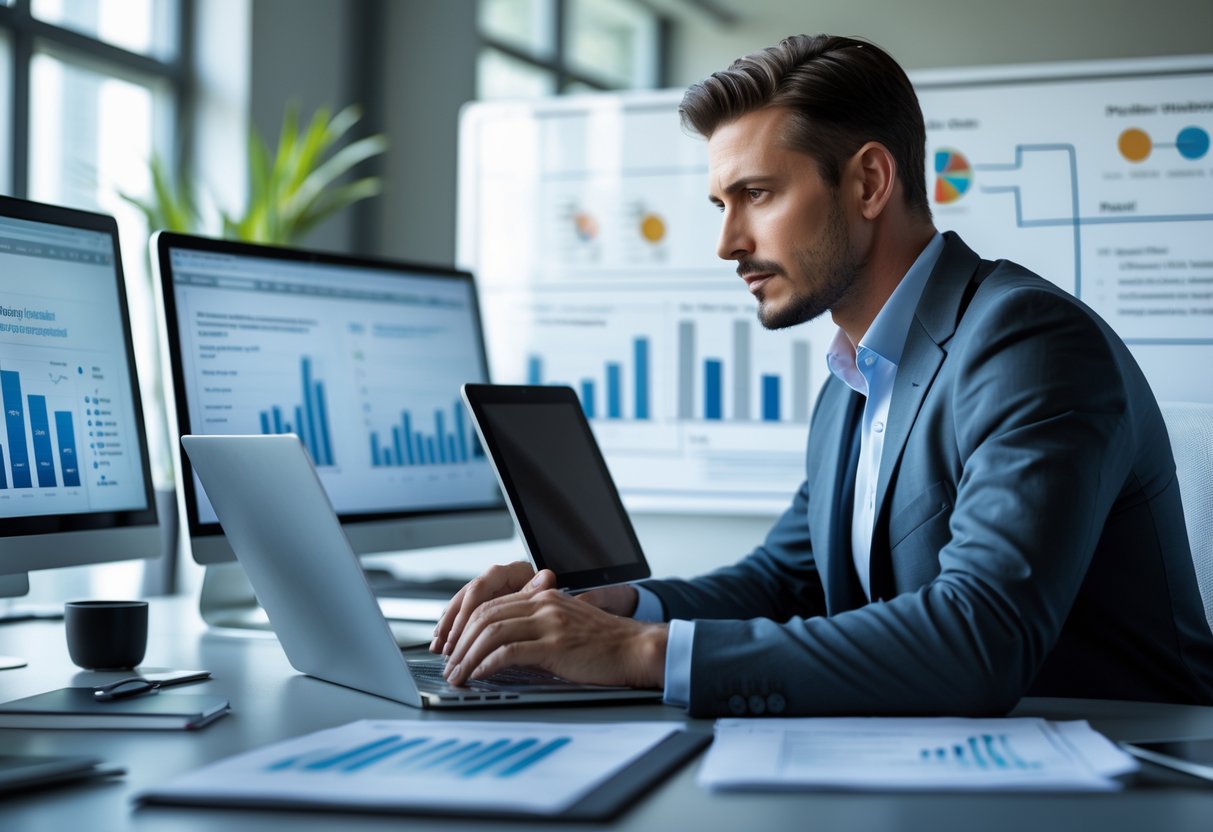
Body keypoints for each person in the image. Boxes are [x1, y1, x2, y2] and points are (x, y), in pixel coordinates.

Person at [432, 34, 1213, 717]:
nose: (727, 242)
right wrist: (606, 610)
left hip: (1131, 769)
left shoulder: (1027, 344)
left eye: (757, 195)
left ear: (868, 183)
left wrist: (641, 652)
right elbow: (784, 580)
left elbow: (980, 636)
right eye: (719, 204)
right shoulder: (856, 375)